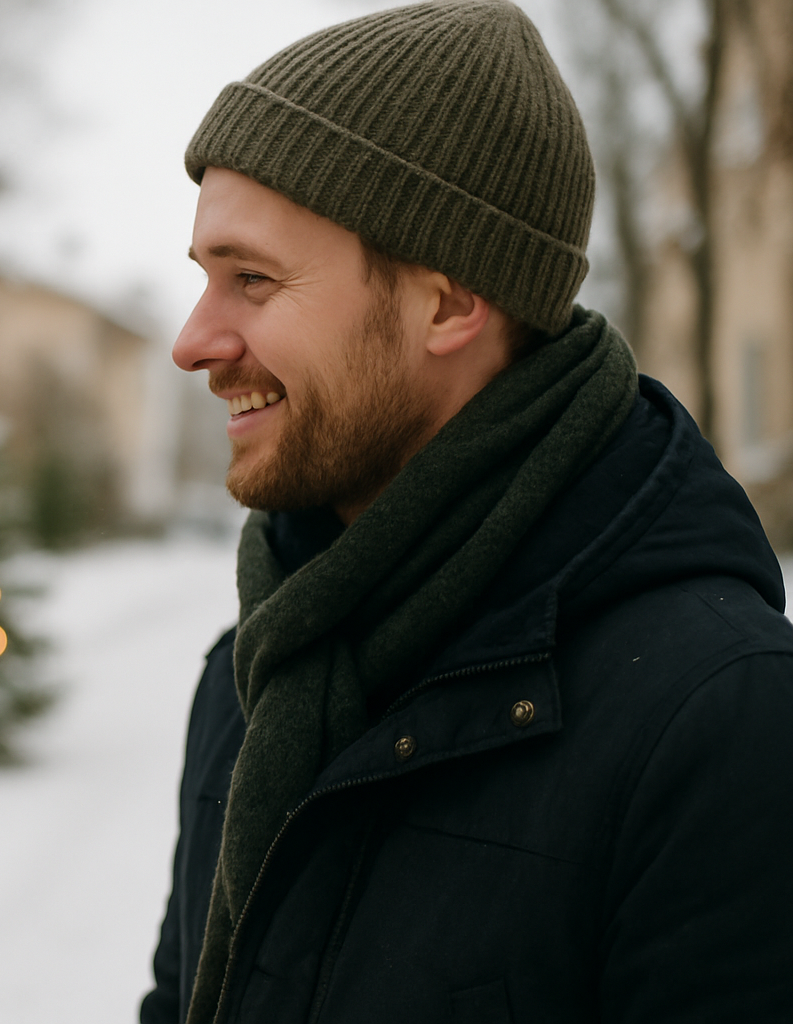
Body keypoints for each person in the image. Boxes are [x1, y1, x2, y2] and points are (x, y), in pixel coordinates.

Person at [142, 2, 793, 1022]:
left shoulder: (720, 718)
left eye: (253, 281)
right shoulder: (255, 670)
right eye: (204, 279)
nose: (192, 341)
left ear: (449, 303)